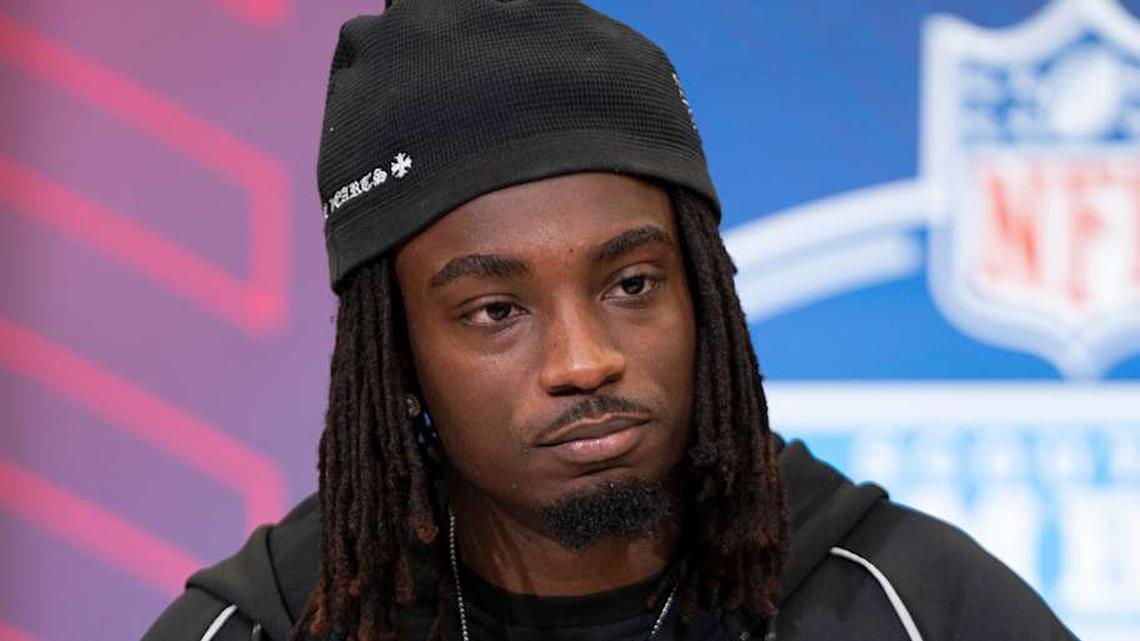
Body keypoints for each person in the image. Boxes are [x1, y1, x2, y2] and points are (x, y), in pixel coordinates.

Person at [141, 2, 1077, 640]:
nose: (584, 361)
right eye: (495, 310)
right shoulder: (275, 623)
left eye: (631, 284)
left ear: (703, 291)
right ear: (398, 351)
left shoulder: (915, 605)